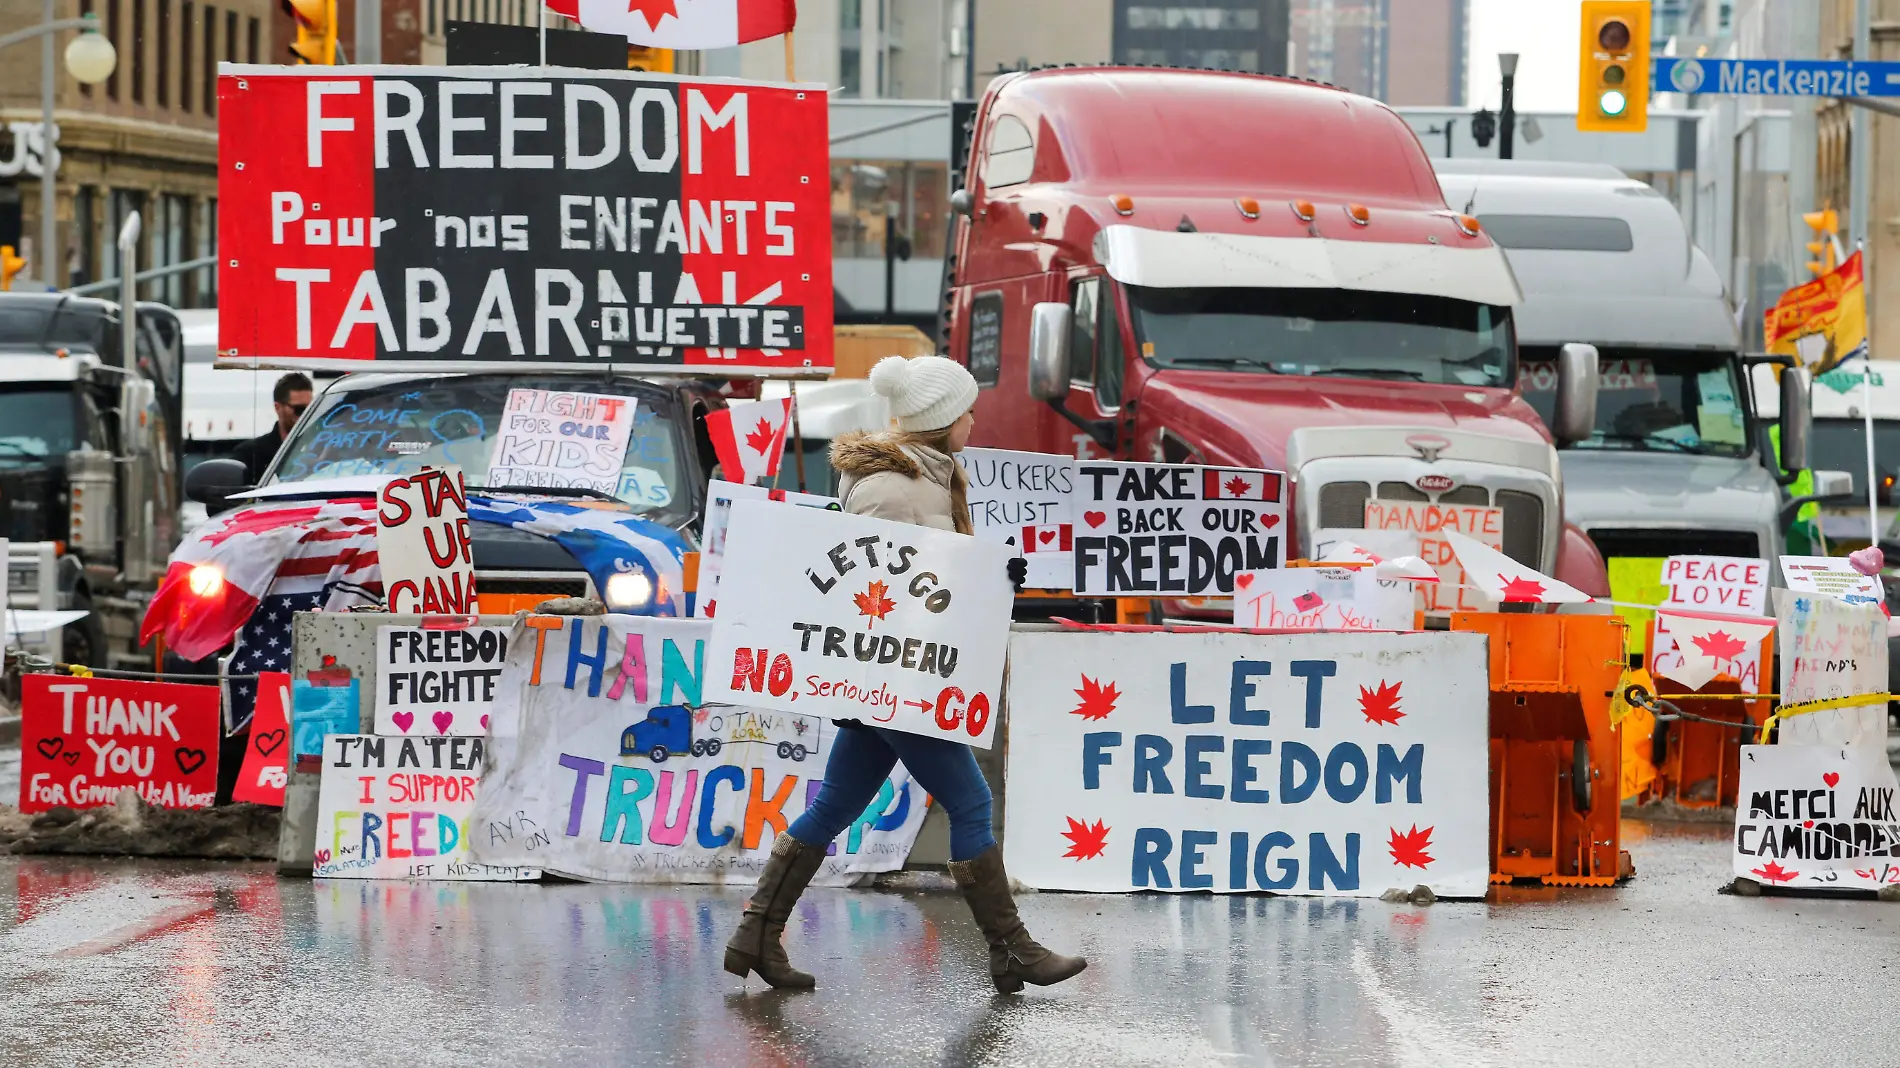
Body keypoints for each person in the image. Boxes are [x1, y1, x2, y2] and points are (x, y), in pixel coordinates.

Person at [724, 355, 1087, 994]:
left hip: (903, 677)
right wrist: (860, 675)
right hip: (901, 682)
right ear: (946, 420)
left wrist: (991, 582)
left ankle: (756, 933)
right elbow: (869, 587)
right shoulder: (894, 488)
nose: (975, 421)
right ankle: (1013, 950)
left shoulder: (929, 479)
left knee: (837, 803)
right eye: (968, 411)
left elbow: (931, 580)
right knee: (971, 802)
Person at [227, 372, 313, 483]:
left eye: (311, 408)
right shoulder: (250, 454)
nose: (306, 414)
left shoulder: (327, 448)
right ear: (278, 408)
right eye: (299, 409)